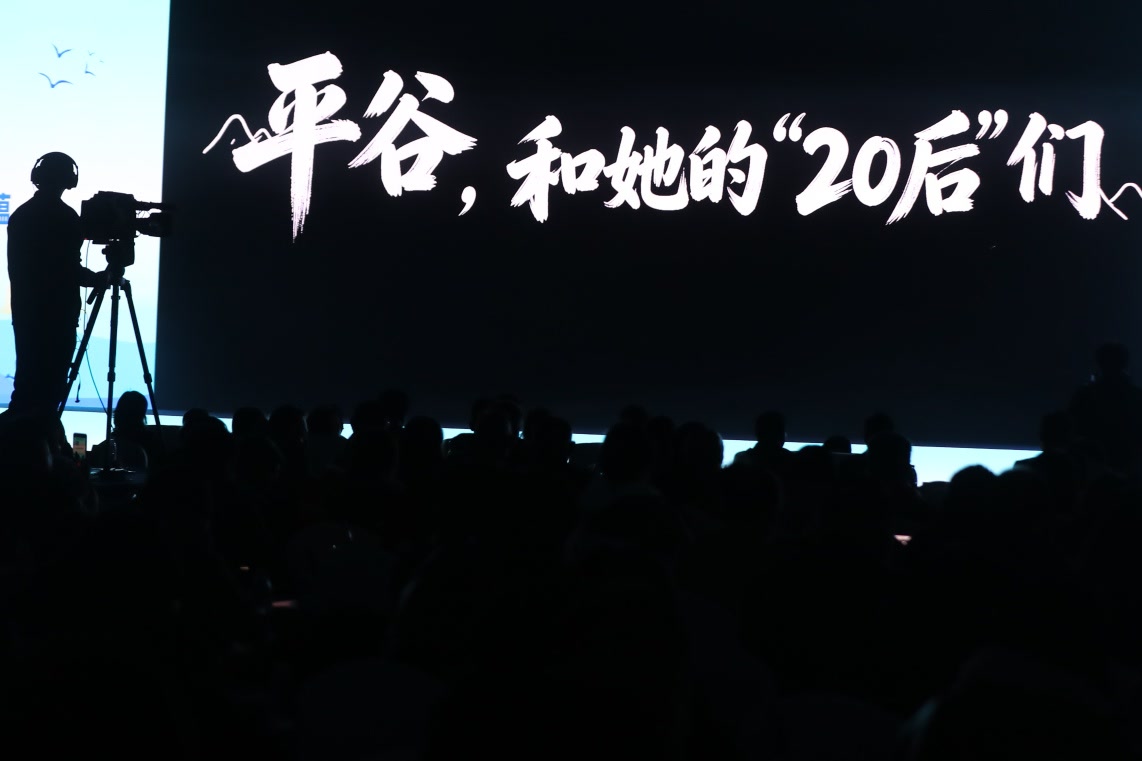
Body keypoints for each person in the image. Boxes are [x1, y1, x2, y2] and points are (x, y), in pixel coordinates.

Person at [4, 153, 109, 421]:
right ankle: (38, 436)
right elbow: (65, 269)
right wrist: (96, 279)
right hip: (57, 317)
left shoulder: (22, 215)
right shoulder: (64, 216)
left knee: (27, 383)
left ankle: (19, 438)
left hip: (27, 314)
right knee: (49, 387)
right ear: (69, 179)